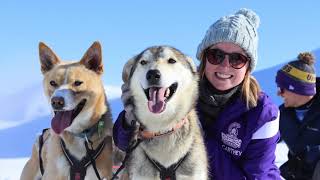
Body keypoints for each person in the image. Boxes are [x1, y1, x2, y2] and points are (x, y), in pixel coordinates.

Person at [113, 8, 281, 179]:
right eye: (216, 55)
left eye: (237, 59)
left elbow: (256, 176)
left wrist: (196, 136)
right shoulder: (177, 90)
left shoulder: (262, 113)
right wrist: (132, 119)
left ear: (248, 67)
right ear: (203, 58)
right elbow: (124, 143)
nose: (225, 66)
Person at [276, 52, 320, 180]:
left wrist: (311, 154)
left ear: (297, 88)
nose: (279, 94)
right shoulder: (282, 115)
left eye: (282, 88)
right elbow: (263, 142)